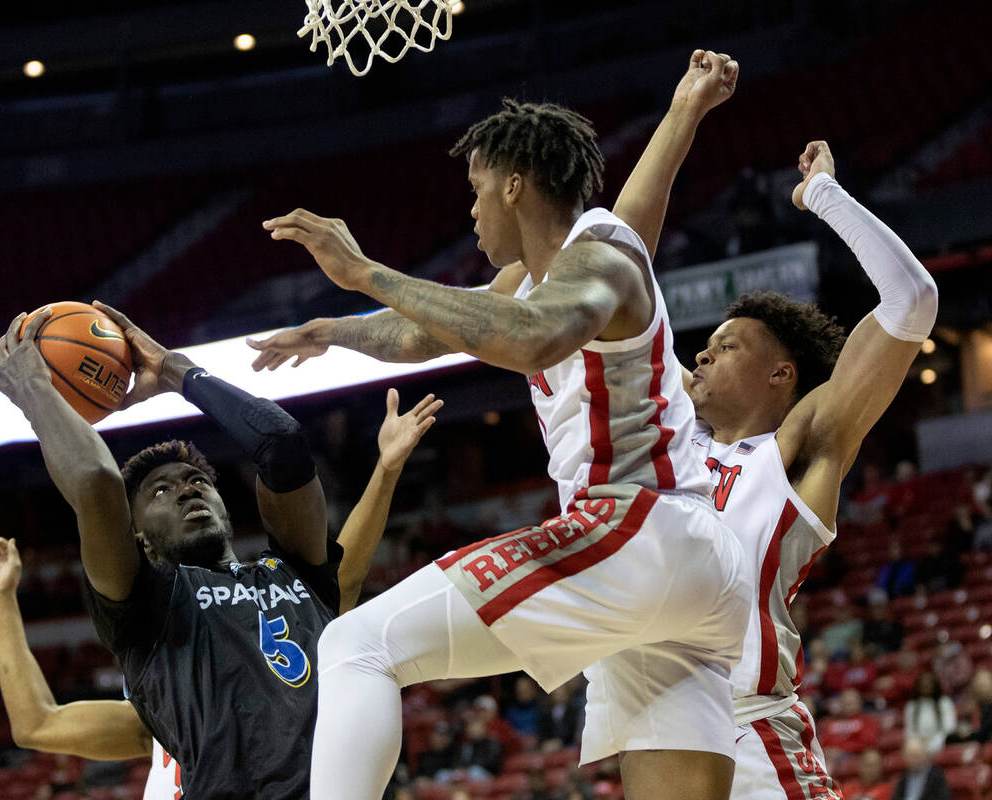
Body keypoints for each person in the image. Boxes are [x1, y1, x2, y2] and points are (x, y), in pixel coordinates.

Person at [255, 51, 750, 800]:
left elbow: (531, 337)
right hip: (687, 567)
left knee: (355, 643)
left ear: (514, 182)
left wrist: (368, 272)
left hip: (636, 530)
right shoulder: (555, 268)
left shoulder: (600, 263)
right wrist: (333, 330)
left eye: (477, 190)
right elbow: (425, 334)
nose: (473, 211)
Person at [581, 134, 937, 800]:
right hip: (654, 747)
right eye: (703, 350)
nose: (704, 358)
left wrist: (822, 196)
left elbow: (912, 300)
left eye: (725, 345)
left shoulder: (798, 447)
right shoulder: (665, 447)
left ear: (781, 373)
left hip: (750, 738)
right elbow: (617, 272)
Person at [0, 304, 440, 799]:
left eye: (198, 481)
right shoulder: (147, 607)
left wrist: (172, 370)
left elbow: (282, 443)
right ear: (136, 535)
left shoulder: (296, 575)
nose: (187, 491)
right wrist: (33, 387)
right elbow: (96, 483)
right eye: (160, 492)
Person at [903, 671, 956, 753]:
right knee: (911, 746)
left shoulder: (944, 703)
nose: (926, 687)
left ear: (935, 685)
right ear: (918, 686)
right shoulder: (911, 706)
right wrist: (920, 742)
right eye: (923, 685)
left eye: (929, 684)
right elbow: (910, 731)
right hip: (919, 743)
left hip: (941, 740)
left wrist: (934, 742)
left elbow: (949, 728)